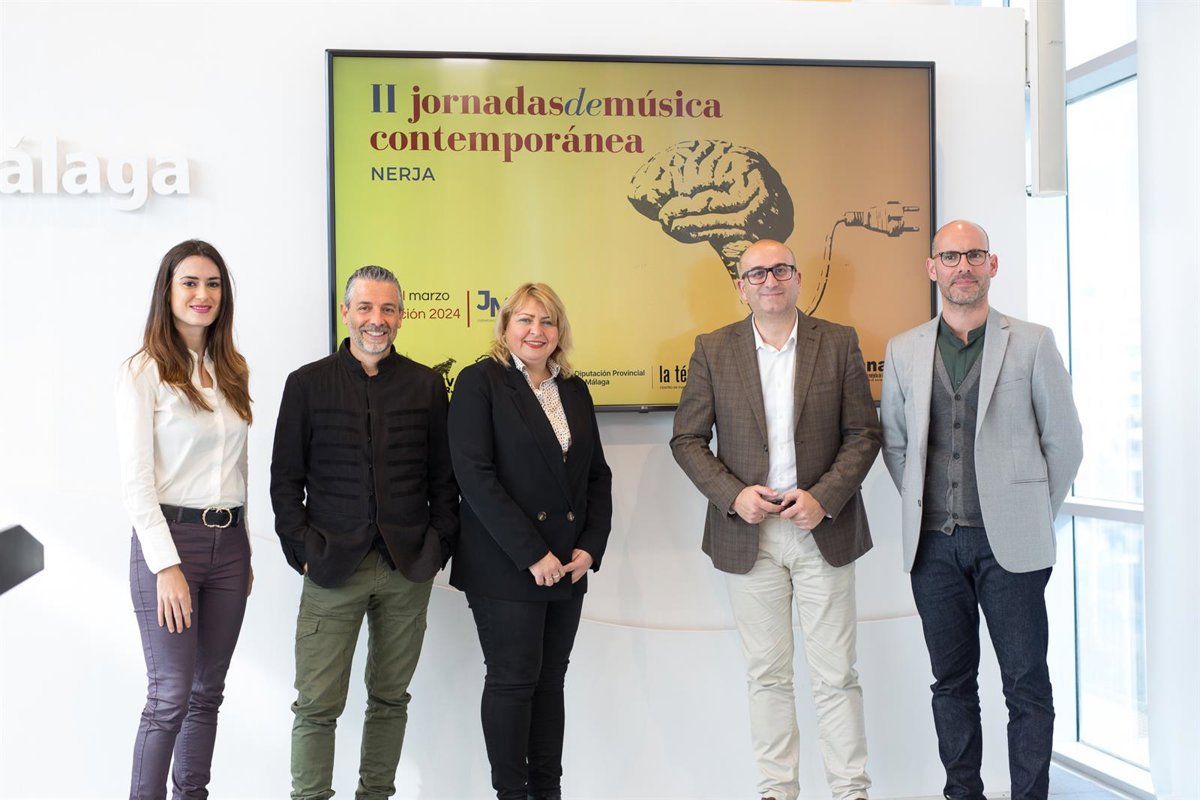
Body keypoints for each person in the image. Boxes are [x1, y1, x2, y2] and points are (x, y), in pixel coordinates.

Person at [880, 220, 1083, 800]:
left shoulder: (1033, 342)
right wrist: (924, 505)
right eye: (950, 257)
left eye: (974, 255)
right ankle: (962, 793)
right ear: (932, 268)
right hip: (933, 546)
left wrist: (1028, 511)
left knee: (1026, 684)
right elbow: (895, 444)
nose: (962, 266)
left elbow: (1065, 443)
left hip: (1011, 546)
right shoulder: (904, 349)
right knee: (951, 683)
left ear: (992, 265)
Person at [670, 239, 880, 800]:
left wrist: (824, 497)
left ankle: (851, 792)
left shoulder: (838, 342)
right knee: (767, 677)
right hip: (749, 536)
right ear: (741, 287)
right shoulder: (713, 349)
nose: (770, 280)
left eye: (781, 269)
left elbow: (864, 434)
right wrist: (734, 495)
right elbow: (687, 439)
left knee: (836, 675)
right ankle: (777, 792)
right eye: (757, 273)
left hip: (822, 530)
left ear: (797, 278)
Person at [270, 265, 459, 800]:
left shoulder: (426, 385)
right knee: (316, 705)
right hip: (330, 567)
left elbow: (444, 480)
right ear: (346, 313)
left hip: (407, 569)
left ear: (401, 316)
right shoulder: (307, 384)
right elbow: (284, 480)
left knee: (391, 699)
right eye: (366, 308)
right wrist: (303, 550)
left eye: (388, 309)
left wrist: (438, 544)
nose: (377, 320)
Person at [448, 283, 613, 800]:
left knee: (549, 683)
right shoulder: (479, 382)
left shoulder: (574, 389)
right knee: (513, 680)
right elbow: (475, 477)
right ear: (505, 327)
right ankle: (511, 795)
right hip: (505, 564)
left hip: (567, 565)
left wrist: (591, 546)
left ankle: (547, 792)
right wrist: (532, 554)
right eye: (525, 320)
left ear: (559, 331)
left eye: (547, 321)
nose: (536, 331)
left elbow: (596, 476)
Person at [117, 239, 254, 799]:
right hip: (171, 545)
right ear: (167, 292)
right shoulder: (144, 370)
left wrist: (245, 550)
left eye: (213, 284)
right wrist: (166, 566)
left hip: (230, 548)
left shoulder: (232, 369)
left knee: (207, 693)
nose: (203, 294)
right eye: (190, 283)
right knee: (170, 695)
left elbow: (239, 469)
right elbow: (136, 483)